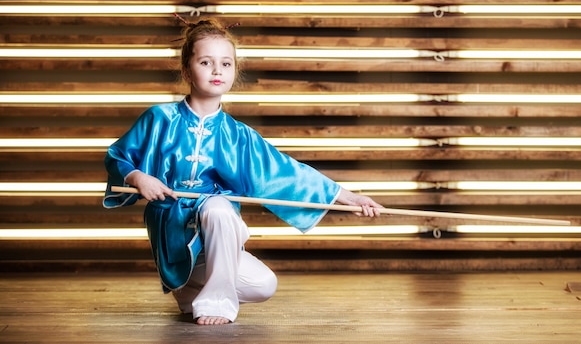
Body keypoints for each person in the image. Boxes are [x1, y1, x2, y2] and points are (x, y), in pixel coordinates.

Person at [103, 17, 383, 326]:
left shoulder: (239, 136)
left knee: (263, 283)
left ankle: (197, 293)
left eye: (226, 63)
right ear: (186, 69)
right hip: (172, 229)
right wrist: (138, 177)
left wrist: (348, 197)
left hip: (216, 240)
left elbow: (285, 173)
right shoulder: (159, 119)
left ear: (235, 72)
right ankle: (216, 301)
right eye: (206, 62)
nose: (217, 70)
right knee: (220, 208)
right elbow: (118, 157)